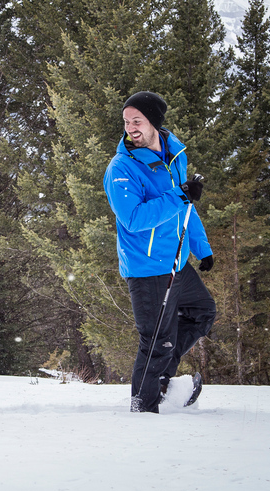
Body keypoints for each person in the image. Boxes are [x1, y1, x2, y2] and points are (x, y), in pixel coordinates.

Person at [103, 92, 217, 413]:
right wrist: (180, 197)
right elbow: (135, 218)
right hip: (147, 267)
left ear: (154, 122)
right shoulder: (122, 168)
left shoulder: (173, 153)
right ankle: (144, 408)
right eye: (127, 122)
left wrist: (201, 246)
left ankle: (163, 379)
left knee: (202, 312)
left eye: (137, 121)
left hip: (176, 261)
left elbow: (186, 209)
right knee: (155, 341)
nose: (131, 128)